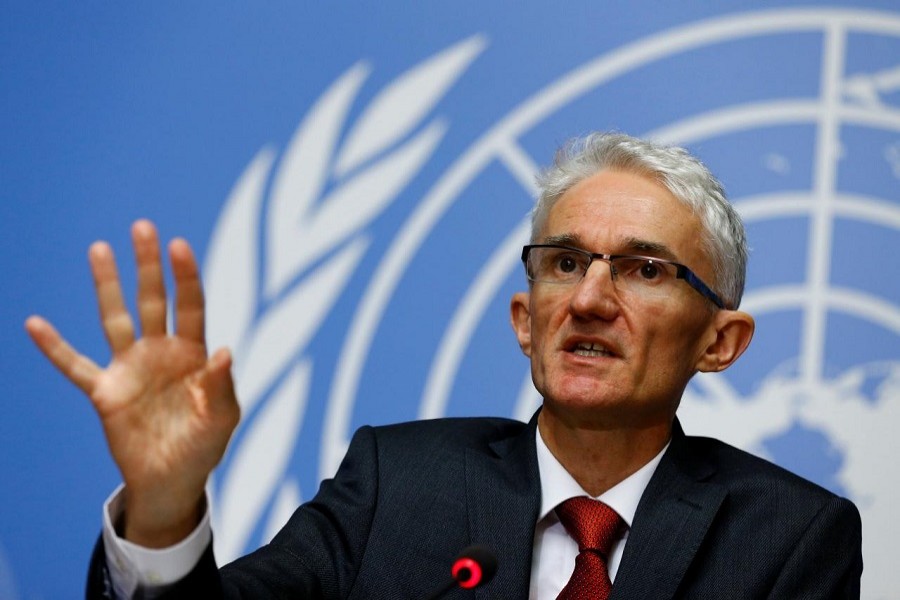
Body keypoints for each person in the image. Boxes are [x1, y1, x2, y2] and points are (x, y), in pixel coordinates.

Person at [26, 132, 862, 599]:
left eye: (644, 269)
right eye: (564, 263)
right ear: (524, 320)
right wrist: (166, 514)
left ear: (721, 342)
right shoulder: (396, 483)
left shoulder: (791, 538)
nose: (591, 299)